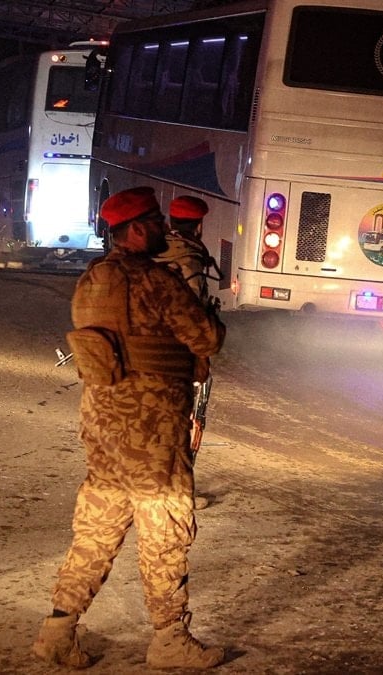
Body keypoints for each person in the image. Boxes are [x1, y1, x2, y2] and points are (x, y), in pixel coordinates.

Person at [32, 187, 227, 670]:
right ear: (137, 229)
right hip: (152, 431)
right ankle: (169, 640)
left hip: (103, 428)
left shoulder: (90, 280)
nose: (165, 228)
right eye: (157, 221)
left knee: (96, 531)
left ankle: (57, 630)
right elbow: (204, 337)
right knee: (166, 532)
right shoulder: (154, 282)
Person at [155, 195, 221, 510]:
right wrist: (203, 353)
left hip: (145, 351)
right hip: (176, 356)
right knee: (183, 424)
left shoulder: (153, 250)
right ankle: (176, 493)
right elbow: (193, 313)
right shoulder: (189, 258)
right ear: (199, 224)